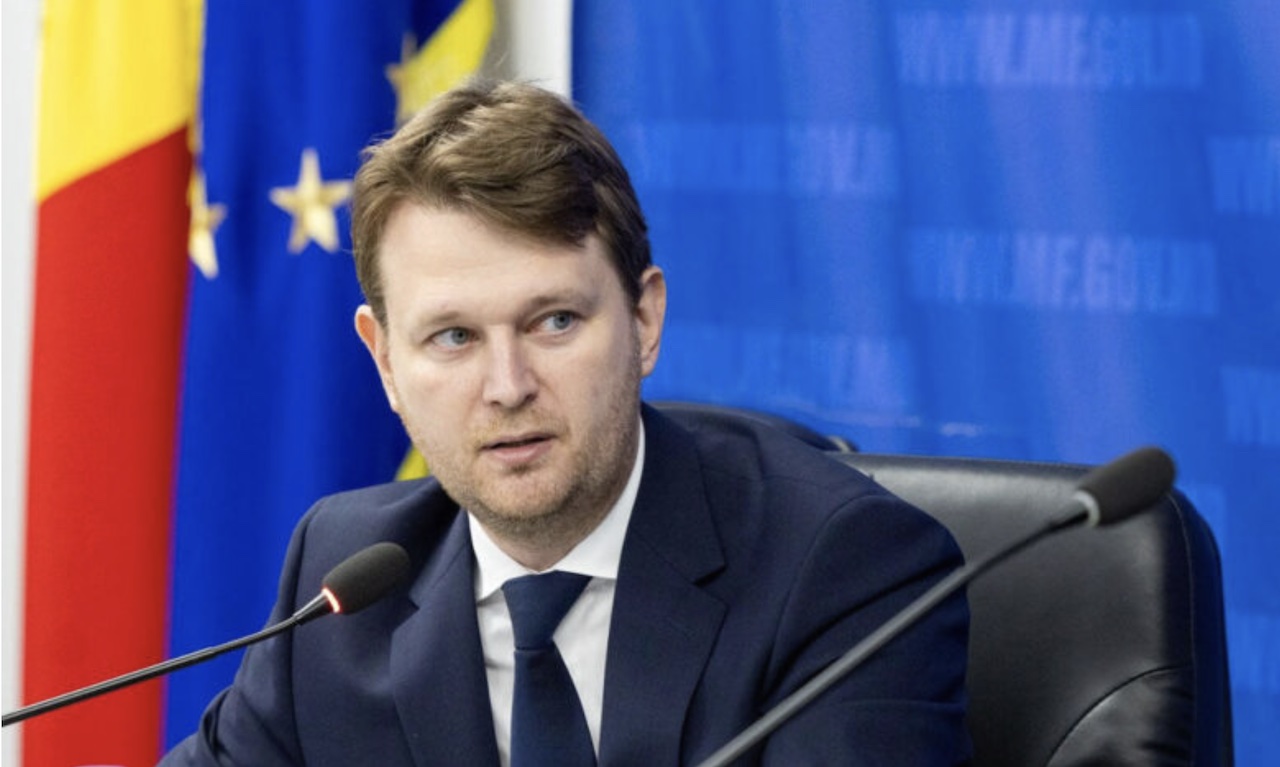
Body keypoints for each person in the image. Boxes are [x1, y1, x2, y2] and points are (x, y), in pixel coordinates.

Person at [161, 79, 970, 766]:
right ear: (385, 363)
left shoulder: (842, 568)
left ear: (644, 320)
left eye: (554, 322)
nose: (507, 387)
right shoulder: (344, 582)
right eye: (454, 337)